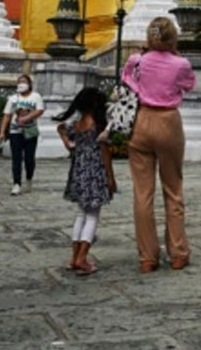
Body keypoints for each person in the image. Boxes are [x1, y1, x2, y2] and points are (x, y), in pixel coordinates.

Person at [122, 16, 196, 272]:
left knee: (143, 193)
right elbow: (189, 85)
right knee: (173, 189)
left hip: (141, 121)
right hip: (168, 123)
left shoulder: (136, 61)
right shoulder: (181, 63)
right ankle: (178, 252)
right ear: (173, 37)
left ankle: (147, 257)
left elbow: (128, 81)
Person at [54, 87, 117, 275]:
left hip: (79, 172)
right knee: (92, 216)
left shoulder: (76, 125)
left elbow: (71, 147)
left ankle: (74, 257)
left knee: (81, 214)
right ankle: (82, 258)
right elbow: (105, 153)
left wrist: (63, 135)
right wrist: (110, 177)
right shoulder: (98, 125)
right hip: (95, 173)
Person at [0, 74, 45, 195]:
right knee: (16, 159)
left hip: (30, 132)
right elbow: (7, 115)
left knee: (29, 159)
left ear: (29, 84)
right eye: (19, 82)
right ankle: (16, 184)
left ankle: (29, 178)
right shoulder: (13, 99)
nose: (21, 84)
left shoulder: (36, 97)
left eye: (24, 81)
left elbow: (40, 110)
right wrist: (2, 132)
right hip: (15, 132)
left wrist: (27, 117)